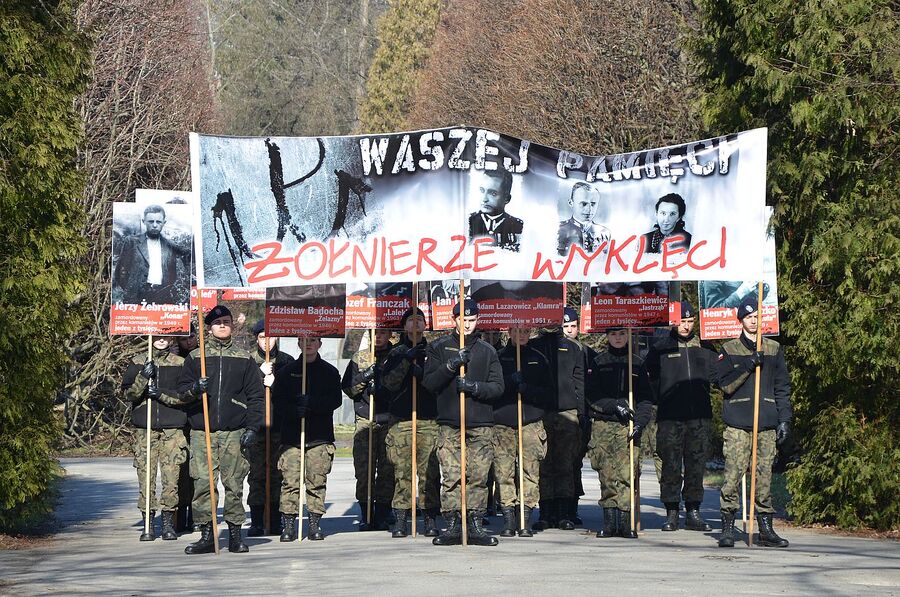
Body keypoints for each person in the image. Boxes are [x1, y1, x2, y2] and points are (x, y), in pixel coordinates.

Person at [178, 305, 265, 554]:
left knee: (234, 484)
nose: (222, 326)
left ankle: (235, 535)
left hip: (233, 431)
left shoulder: (244, 357)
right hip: (201, 431)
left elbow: (256, 397)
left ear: (232, 325)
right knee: (203, 484)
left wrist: (253, 427)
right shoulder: (196, 357)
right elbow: (181, 392)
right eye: (218, 323)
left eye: (226, 322)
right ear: (210, 327)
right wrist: (195, 388)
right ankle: (207, 535)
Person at [712, 295, 792, 548]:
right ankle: (727, 527)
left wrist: (785, 419)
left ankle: (766, 529)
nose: (754, 321)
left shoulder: (773, 349)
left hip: (766, 423)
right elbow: (724, 385)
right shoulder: (730, 349)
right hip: (738, 423)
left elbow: (782, 388)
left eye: (757, 317)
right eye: (749, 317)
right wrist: (748, 365)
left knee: (764, 477)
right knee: (733, 476)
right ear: (741, 321)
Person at [423, 302, 504, 546]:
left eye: (471, 320)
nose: (467, 324)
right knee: (451, 475)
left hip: (479, 423)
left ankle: (476, 523)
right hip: (450, 422)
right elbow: (429, 383)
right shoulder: (438, 347)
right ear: (454, 319)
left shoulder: (487, 351)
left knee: (478, 476)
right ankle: (453, 524)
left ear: (477, 320)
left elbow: (498, 387)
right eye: (462, 319)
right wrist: (450, 366)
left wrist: (474, 387)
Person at [645, 302, 716, 532]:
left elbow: (719, 374)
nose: (685, 326)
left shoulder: (705, 344)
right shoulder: (662, 347)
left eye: (689, 321)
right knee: (671, 465)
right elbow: (649, 377)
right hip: (670, 417)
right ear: (673, 322)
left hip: (699, 416)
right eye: (680, 321)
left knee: (696, 465)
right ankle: (672, 511)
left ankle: (693, 510)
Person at [271, 336, 342, 541]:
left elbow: (335, 400)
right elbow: (279, 401)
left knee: (316, 482)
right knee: (290, 482)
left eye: (313, 340)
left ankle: (314, 523)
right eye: (304, 340)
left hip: (319, 437)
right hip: (292, 437)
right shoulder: (286, 372)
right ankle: (289, 525)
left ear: (319, 343)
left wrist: (312, 404)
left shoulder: (329, 372)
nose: (308, 343)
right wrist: (295, 410)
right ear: (298, 344)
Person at [586, 328, 652, 539]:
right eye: (614, 334)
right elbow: (591, 395)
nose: (618, 338)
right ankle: (609, 521)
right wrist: (613, 406)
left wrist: (640, 422)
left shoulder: (638, 363)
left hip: (628, 426)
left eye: (622, 334)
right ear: (607, 336)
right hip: (605, 425)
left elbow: (645, 399)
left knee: (627, 474)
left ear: (628, 336)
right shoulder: (598, 362)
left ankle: (624, 523)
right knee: (607, 474)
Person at [381, 308, 441, 538]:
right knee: (402, 473)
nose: (415, 325)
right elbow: (389, 384)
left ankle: (429, 516)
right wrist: (406, 361)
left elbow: (438, 384)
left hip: (428, 420)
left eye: (420, 321)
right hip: (402, 421)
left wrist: (422, 372)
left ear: (426, 325)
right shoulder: (396, 353)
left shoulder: (434, 351)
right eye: (411, 321)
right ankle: (401, 519)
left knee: (429, 473)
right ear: (404, 326)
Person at [122, 335, 188, 541]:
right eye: (157, 336)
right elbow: (129, 394)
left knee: (171, 480)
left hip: (172, 430)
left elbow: (185, 395)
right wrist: (143, 377)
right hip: (145, 429)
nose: (161, 339)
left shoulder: (181, 363)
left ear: (171, 338)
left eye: (166, 336)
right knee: (146, 478)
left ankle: (168, 523)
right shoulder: (138, 361)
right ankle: (148, 524)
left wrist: (160, 393)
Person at [494, 327, 551, 537]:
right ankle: (508, 518)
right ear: (509, 332)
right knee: (504, 471)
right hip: (503, 422)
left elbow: (549, 393)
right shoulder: (498, 357)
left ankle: (525, 518)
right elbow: (493, 389)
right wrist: (510, 383)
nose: (522, 335)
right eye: (517, 331)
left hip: (530, 421)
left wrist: (528, 389)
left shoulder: (539, 358)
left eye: (526, 331)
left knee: (530, 471)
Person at [342, 328, 396, 531]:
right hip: (366, 419)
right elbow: (347, 387)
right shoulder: (360, 358)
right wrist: (364, 377)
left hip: (389, 419)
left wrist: (382, 386)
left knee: (387, 470)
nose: (379, 337)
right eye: (376, 333)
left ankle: (383, 513)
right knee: (364, 471)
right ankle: (367, 515)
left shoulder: (396, 355)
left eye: (383, 333)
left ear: (389, 334)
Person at [533, 322, 585, 530]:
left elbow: (579, 381)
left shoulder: (573, 348)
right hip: (541, 411)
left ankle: (565, 512)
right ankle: (545, 511)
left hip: (567, 411)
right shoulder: (533, 346)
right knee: (543, 463)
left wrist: (581, 412)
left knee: (565, 463)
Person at [246, 320, 295, 537]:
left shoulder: (287, 361)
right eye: (262, 337)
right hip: (257, 426)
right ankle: (257, 520)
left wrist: (276, 382)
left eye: (271, 336)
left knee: (277, 474)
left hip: (279, 425)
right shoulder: (248, 360)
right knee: (257, 474)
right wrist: (258, 375)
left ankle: (274, 519)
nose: (267, 341)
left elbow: (291, 393)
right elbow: (243, 392)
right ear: (256, 339)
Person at [113, 204, 190, 305]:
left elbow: (185, 260)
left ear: (163, 223)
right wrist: (131, 289)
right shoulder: (131, 242)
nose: (154, 225)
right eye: (151, 221)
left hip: (161, 297)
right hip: (135, 297)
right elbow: (120, 271)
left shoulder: (170, 245)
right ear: (144, 221)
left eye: (158, 222)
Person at [560, 306, 593, 525]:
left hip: (583, 412)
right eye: (566, 327)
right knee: (561, 462)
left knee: (575, 463)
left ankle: (573, 506)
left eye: (573, 326)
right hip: (564, 411)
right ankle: (560, 508)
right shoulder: (557, 350)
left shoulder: (587, 351)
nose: (570, 330)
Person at [468, 169, 523, 252]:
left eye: (493, 193)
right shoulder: (468, 222)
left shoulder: (518, 226)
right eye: (482, 191)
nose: (484, 199)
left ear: (506, 199)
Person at [557, 182, 611, 256]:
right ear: (571, 203)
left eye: (593, 204)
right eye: (584, 204)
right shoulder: (558, 230)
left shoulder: (604, 233)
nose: (589, 209)